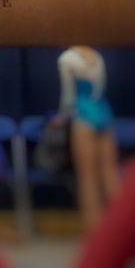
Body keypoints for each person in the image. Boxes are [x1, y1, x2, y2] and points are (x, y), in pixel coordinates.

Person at [56, 46, 119, 231]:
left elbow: (68, 99)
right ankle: (124, 232)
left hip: (84, 116)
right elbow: (100, 89)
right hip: (103, 112)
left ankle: (94, 234)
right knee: (110, 176)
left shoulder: (66, 58)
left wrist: (61, 118)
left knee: (87, 179)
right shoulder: (97, 56)